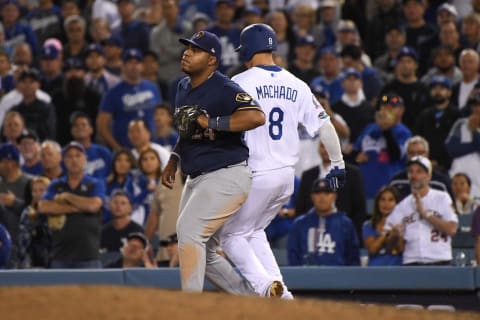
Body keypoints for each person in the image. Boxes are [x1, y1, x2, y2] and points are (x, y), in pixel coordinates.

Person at [219, 24, 346, 299]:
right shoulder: (297, 84)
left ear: (249, 50)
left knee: (229, 235)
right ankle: (282, 293)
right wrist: (338, 163)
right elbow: (325, 126)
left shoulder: (240, 81)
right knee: (253, 231)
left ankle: (265, 288)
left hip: (256, 173)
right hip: (286, 178)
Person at [160, 30, 265, 293]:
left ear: (212, 60)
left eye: (195, 50)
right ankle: (251, 302)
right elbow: (187, 130)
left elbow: (256, 117)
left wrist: (213, 122)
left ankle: (191, 306)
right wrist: (174, 158)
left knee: (188, 231)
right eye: (187, 48)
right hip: (197, 178)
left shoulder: (224, 88)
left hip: (227, 175)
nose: (187, 53)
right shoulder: (182, 87)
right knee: (204, 252)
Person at [38, 142, 105, 268]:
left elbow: (93, 206)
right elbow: (43, 207)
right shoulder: (56, 184)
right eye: (69, 156)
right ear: (64, 160)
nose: (74, 159)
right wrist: (75, 208)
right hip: (60, 255)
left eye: (78, 155)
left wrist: (68, 196)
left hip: (89, 256)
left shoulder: (95, 183)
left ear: (85, 159)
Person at [385, 155, 458, 265]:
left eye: (419, 172)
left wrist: (425, 214)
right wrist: (395, 235)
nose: (414, 175)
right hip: (412, 262)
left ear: (428, 176)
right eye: (411, 171)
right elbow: (389, 245)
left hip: (440, 260)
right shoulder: (402, 205)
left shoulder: (442, 198)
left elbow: (452, 229)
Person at [97, 48, 162, 150]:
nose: (134, 66)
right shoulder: (113, 92)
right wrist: (118, 149)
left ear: (142, 66)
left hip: (153, 146)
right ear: (122, 66)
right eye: (130, 63)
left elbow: (160, 116)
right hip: (126, 149)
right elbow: (102, 125)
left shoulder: (152, 87)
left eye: (137, 63)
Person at [288, 178, 360, 266]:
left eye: (327, 193)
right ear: (312, 196)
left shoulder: (345, 224)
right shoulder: (299, 224)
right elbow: (293, 256)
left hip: (339, 277)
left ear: (334, 196)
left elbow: (353, 258)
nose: (322, 197)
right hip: (307, 277)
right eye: (318, 193)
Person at [390, 135, 453, 201]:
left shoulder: (441, 183)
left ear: (427, 155)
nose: (416, 156)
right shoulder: (396, 182)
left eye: (420, 153)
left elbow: (451, 208)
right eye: (411, 153)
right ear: (407, 156)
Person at [362, 186, 403, 266]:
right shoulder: (368, 226)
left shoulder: (403, 225)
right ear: (377, 202)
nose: (386, 204)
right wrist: (385, 233)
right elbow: (372, 249)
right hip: (375, 271)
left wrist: (397, 233)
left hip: (398, 271)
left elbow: (401, 249)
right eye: (382, 199)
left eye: (391, 200)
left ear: (397, 203)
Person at [17, 176, 51, 268]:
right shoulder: (27, 213)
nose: (37, 194)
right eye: (34, 191)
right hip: (31, 262)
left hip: (53, 261)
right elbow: (23, 242)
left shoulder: (56, 213)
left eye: (41, 190)